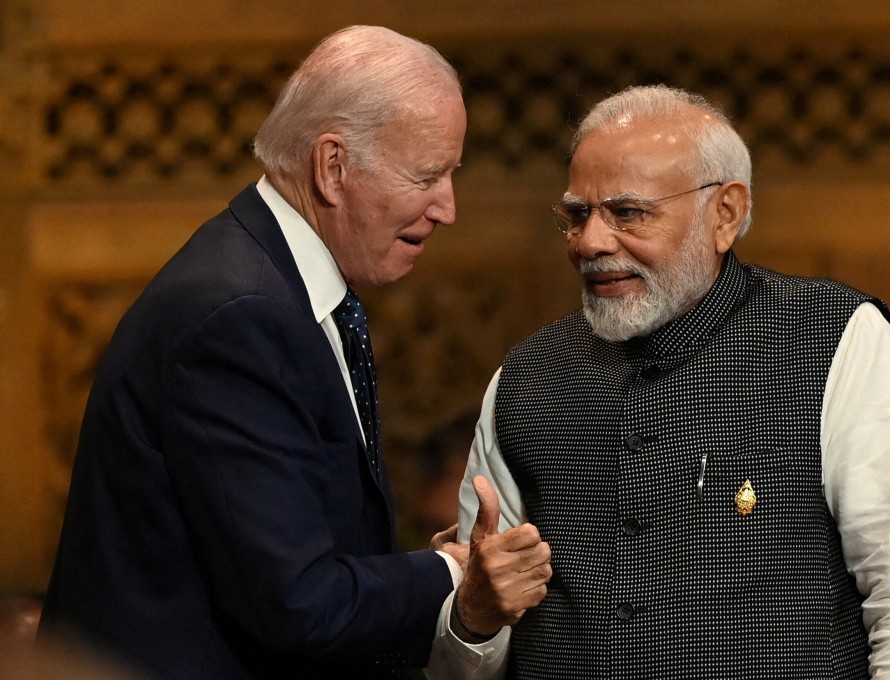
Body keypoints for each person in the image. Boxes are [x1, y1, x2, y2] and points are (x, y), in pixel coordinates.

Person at [39, 25, 550, 679]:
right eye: (426, 175)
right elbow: (298, 603)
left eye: (451, 174)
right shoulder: (238, 315)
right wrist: (452, 571)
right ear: (333, 167)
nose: (448, 208)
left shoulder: (273, 282)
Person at [433, 85, 890, 679]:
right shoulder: (527, 380)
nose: (590, 241)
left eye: (627, 212)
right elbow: (459, 665)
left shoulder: (832, 338)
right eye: (578, 214)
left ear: (725, 214)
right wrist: (471, 618)